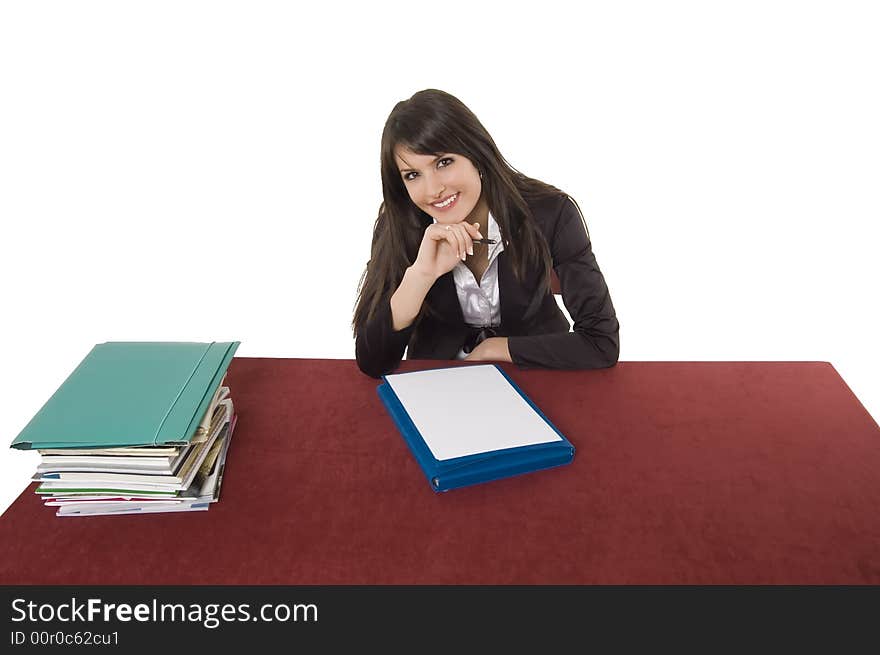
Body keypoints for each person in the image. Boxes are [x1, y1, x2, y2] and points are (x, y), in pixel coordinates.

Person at [353, 89, 619, 378]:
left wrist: (496, 349)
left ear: (476, 155)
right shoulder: (399, 226)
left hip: (534, 372)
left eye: (443, 162)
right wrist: (420, 276)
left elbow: (600, 342)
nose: (432, 190)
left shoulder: (551, 213)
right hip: (438, 383)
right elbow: (372, 362)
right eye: (412, 175)